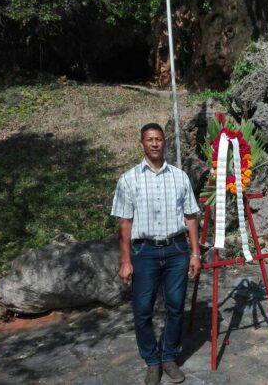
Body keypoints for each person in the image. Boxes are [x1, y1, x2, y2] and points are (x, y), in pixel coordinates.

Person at [111, 123, 201, 385]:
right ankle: (152, 360)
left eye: (158, 139)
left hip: (176, 250)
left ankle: (169, 357)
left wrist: (195, 253)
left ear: (164, 142)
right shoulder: (128, 179)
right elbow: (124, 223)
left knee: (175, 306)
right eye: (149, 139)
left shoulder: (179, 176)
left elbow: (191, 217)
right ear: (141, 144)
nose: (154, 144)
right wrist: (126, 260)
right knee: (142, 310)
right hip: (144, 252)